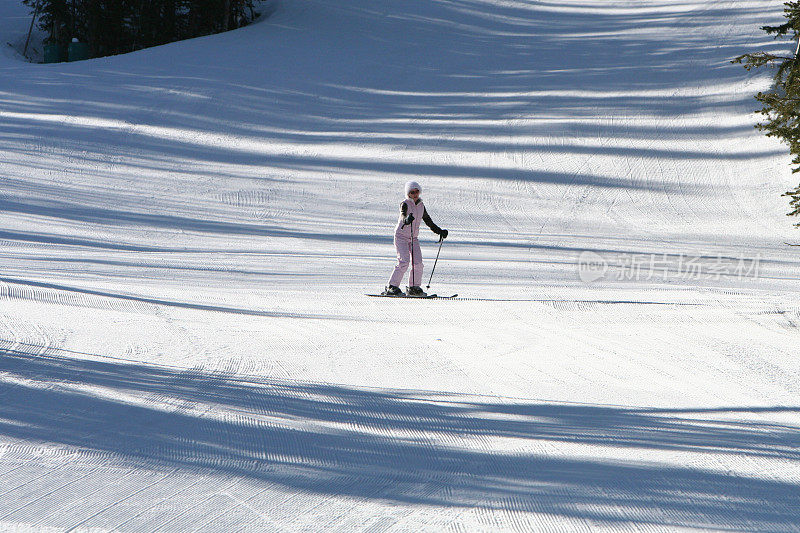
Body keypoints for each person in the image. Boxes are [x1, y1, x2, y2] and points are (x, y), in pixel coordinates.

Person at [383, 181, 448, 296]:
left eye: (417, 191)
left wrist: (439, 231)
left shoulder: (421, 205)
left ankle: (413, 287)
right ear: (408, 194)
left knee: (418, 263)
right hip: (401, 237)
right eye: (412, 192)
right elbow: (403, 215)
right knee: (404, 261)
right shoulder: (405, 204)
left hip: (413, 238)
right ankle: (391, 286)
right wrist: (406, 219)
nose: (415, 194)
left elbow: (428, 221)